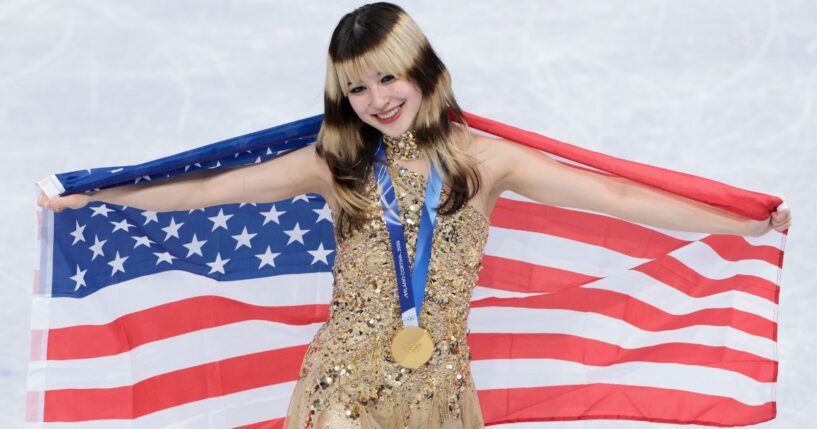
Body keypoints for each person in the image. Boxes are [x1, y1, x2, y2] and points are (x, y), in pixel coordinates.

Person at [38, 2, 792, 428]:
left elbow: (621, 197)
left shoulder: (484, 162)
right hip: (343, 389)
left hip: (440, 390)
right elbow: (209, 191)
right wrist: (102, 192)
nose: (376, 100)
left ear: (423, 70)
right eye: (356, 90)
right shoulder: (334, 163)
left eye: (386, 77)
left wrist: (742, 223)